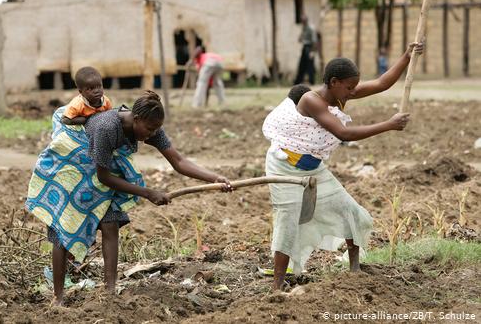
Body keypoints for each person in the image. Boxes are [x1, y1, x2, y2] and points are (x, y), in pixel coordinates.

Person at [26, 90, 232, 305]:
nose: (152, 135)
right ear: (136, 119)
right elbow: (104, 177)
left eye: (156, 130)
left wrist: (215, 178)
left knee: (110, 222)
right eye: (150, 129)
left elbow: (178, 161)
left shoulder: (150, 127)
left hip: (99, 168)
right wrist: (148, 193)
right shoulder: (107, 128)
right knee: (63, 228)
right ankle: (58, 299)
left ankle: (110, 293)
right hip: (72, 168)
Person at [263, 42, 424, 291]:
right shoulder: (311, 100)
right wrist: (388, 124)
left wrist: (406, 56)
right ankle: (276, 287)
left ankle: (355, 271)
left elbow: (382, 83)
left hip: (313, 169)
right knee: (287, 222)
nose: (353, 92)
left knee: (352, 213)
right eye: (349, 87)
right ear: (334, 81)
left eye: (354, 87)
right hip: (285, 168)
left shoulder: (341, 94)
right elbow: (343, 133)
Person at [293, 15, 318, 85]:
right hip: (305, 47)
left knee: (310, 65)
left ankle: (311, 81)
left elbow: (315, 41)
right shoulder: (304, 28)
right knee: (302, 65)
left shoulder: (311, 28)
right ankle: (298, 81)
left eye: (304, 21)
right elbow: (300, 39)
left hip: (310, 48)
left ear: (306, 21)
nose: (303, 23)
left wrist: (312, 52)